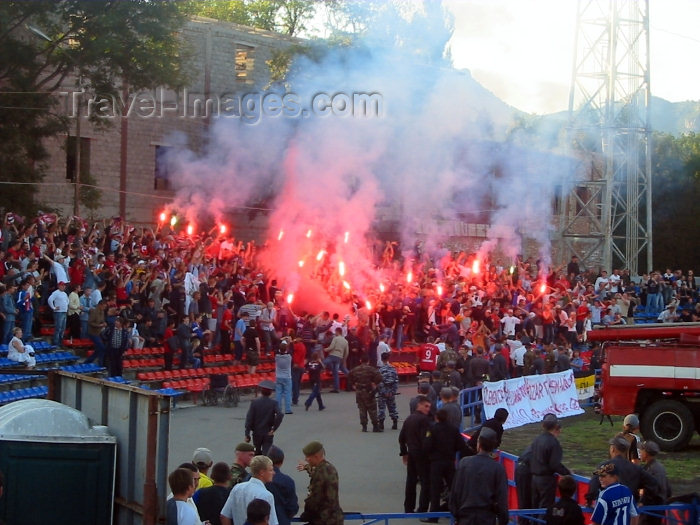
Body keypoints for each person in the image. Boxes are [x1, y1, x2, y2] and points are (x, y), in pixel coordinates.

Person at [450, 427, 509, 525]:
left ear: (479, 444)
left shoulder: (464, 463)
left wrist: (456, 515)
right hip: (486, 519)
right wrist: (503, 520)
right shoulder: (497, 468)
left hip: (465, 518)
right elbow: (502, 500)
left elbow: (455, 493)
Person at [422, 407, 469, 523]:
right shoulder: (453, 429)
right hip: (449, 461)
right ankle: (456, 513)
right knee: (453, 488)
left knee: (435, 490)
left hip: (436, 463)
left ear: (436, 417)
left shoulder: (432, 429)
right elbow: (461, 446)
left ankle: (433, 516)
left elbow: (427, 446)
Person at [529, 414, 571, 510]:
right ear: (556, 427)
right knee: (545, 508)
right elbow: (554, 464)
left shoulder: (537, 439)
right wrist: (567, 472)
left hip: (534, 478)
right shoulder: (553, 443)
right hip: (546, 480)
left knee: (535, 507)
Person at [220, 455, 278, 525]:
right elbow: (272, 522)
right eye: (271, 470)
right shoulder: (266, 495)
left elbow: (224, 516)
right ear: (262, 472)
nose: (273, 473)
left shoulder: (237, 488)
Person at [399, 395, 432, 514]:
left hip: (411, 453)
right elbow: (426, 439)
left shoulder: (409, 419)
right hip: (422, 455)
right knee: (425, 481)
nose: (428, 409)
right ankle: (422, 508)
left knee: (411, 481)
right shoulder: (425, 421)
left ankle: (408, 508)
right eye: (426, 406)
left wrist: (404, 452)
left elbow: (401, 437)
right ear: (419, 406)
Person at [296, 441, 343, 525]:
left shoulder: (320, 473)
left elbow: (315, 499)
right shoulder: (329, 467)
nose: (306, 459)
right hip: (335, 517)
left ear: (316, 456)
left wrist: (307, 514)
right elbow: (317, 473)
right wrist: (307, 467)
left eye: (307, 457)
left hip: (324, 520)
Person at [245, 380, 284, 456]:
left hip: (256, 432)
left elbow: (249, 418)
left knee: (257, 452)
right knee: (267, 453)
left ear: (261, 391)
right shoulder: (274, 403)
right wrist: (274, 428)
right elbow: (280, 414)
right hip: (268, 432)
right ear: (270, 393)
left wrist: (247, 434)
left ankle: (257, 466)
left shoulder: (254, 402)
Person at [347, 355, 383, 432]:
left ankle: (364, 426)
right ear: (368, 361)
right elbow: (380, 377)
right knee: (372, 409)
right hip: (369, 391)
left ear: (360, 360)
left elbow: (349, 376)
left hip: (359, 392)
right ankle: (375, 426)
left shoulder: (355, 370)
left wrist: (353, 384)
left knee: (362, 409)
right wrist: (374, 383)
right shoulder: (372, 369)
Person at [638, 441, 671, 525]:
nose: (640, 453)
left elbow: (652, 491)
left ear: (646, 453)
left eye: (641, 450)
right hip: (660, 508)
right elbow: (668, 490)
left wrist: (642, 502)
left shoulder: (650, 470)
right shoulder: (660, 467)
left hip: (651, 511)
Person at [264, 446, 298, 525]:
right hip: (281, 520)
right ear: (281, 462)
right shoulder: (287, 481)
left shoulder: (257, 478)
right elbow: (292, 507)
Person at [377, 351, 399, 431]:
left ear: (382, 359)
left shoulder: (380, 370)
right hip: (391, 391)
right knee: (392, 407)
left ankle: (381, 424)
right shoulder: (393, 369)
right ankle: (395, 422)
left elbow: (379, 382)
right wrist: (393, 391)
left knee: (381, 408)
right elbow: (396, 381)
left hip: (383, 392)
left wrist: (383, 391)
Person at [323, 327, 349, 393]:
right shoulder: (345, 341)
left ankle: (320, 368)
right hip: (339, 357)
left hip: (333, 355)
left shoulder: (335, 338)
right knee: (335, 372)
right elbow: (346, 352)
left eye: (335, 332)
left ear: (337, 332)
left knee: (324, 362)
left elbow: (331, 347)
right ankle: (336, 388)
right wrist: (344, 359)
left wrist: (326, 349)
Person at [47, 281, 69, 347]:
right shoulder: (55, 293)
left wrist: (65, 306)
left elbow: (67, 301)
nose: (63, 286)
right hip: (58, 312)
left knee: (63, 328)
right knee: (58, 327)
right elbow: (50, 300)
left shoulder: (65, 293)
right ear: (59, 286)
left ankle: (60, 341)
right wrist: (53, 307)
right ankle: (56, 342)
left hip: (64, 312)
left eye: (64, 285)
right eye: (62, 285)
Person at [274, 340, 293, 414]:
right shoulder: (289, 356)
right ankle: (288, 409)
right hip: (287, 376)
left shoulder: (277, 356)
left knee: (278, 393)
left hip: (278, 376)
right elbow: (290, 349)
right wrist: (289, 342)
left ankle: (278, 409)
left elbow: (276, 349)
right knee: (287, 393)